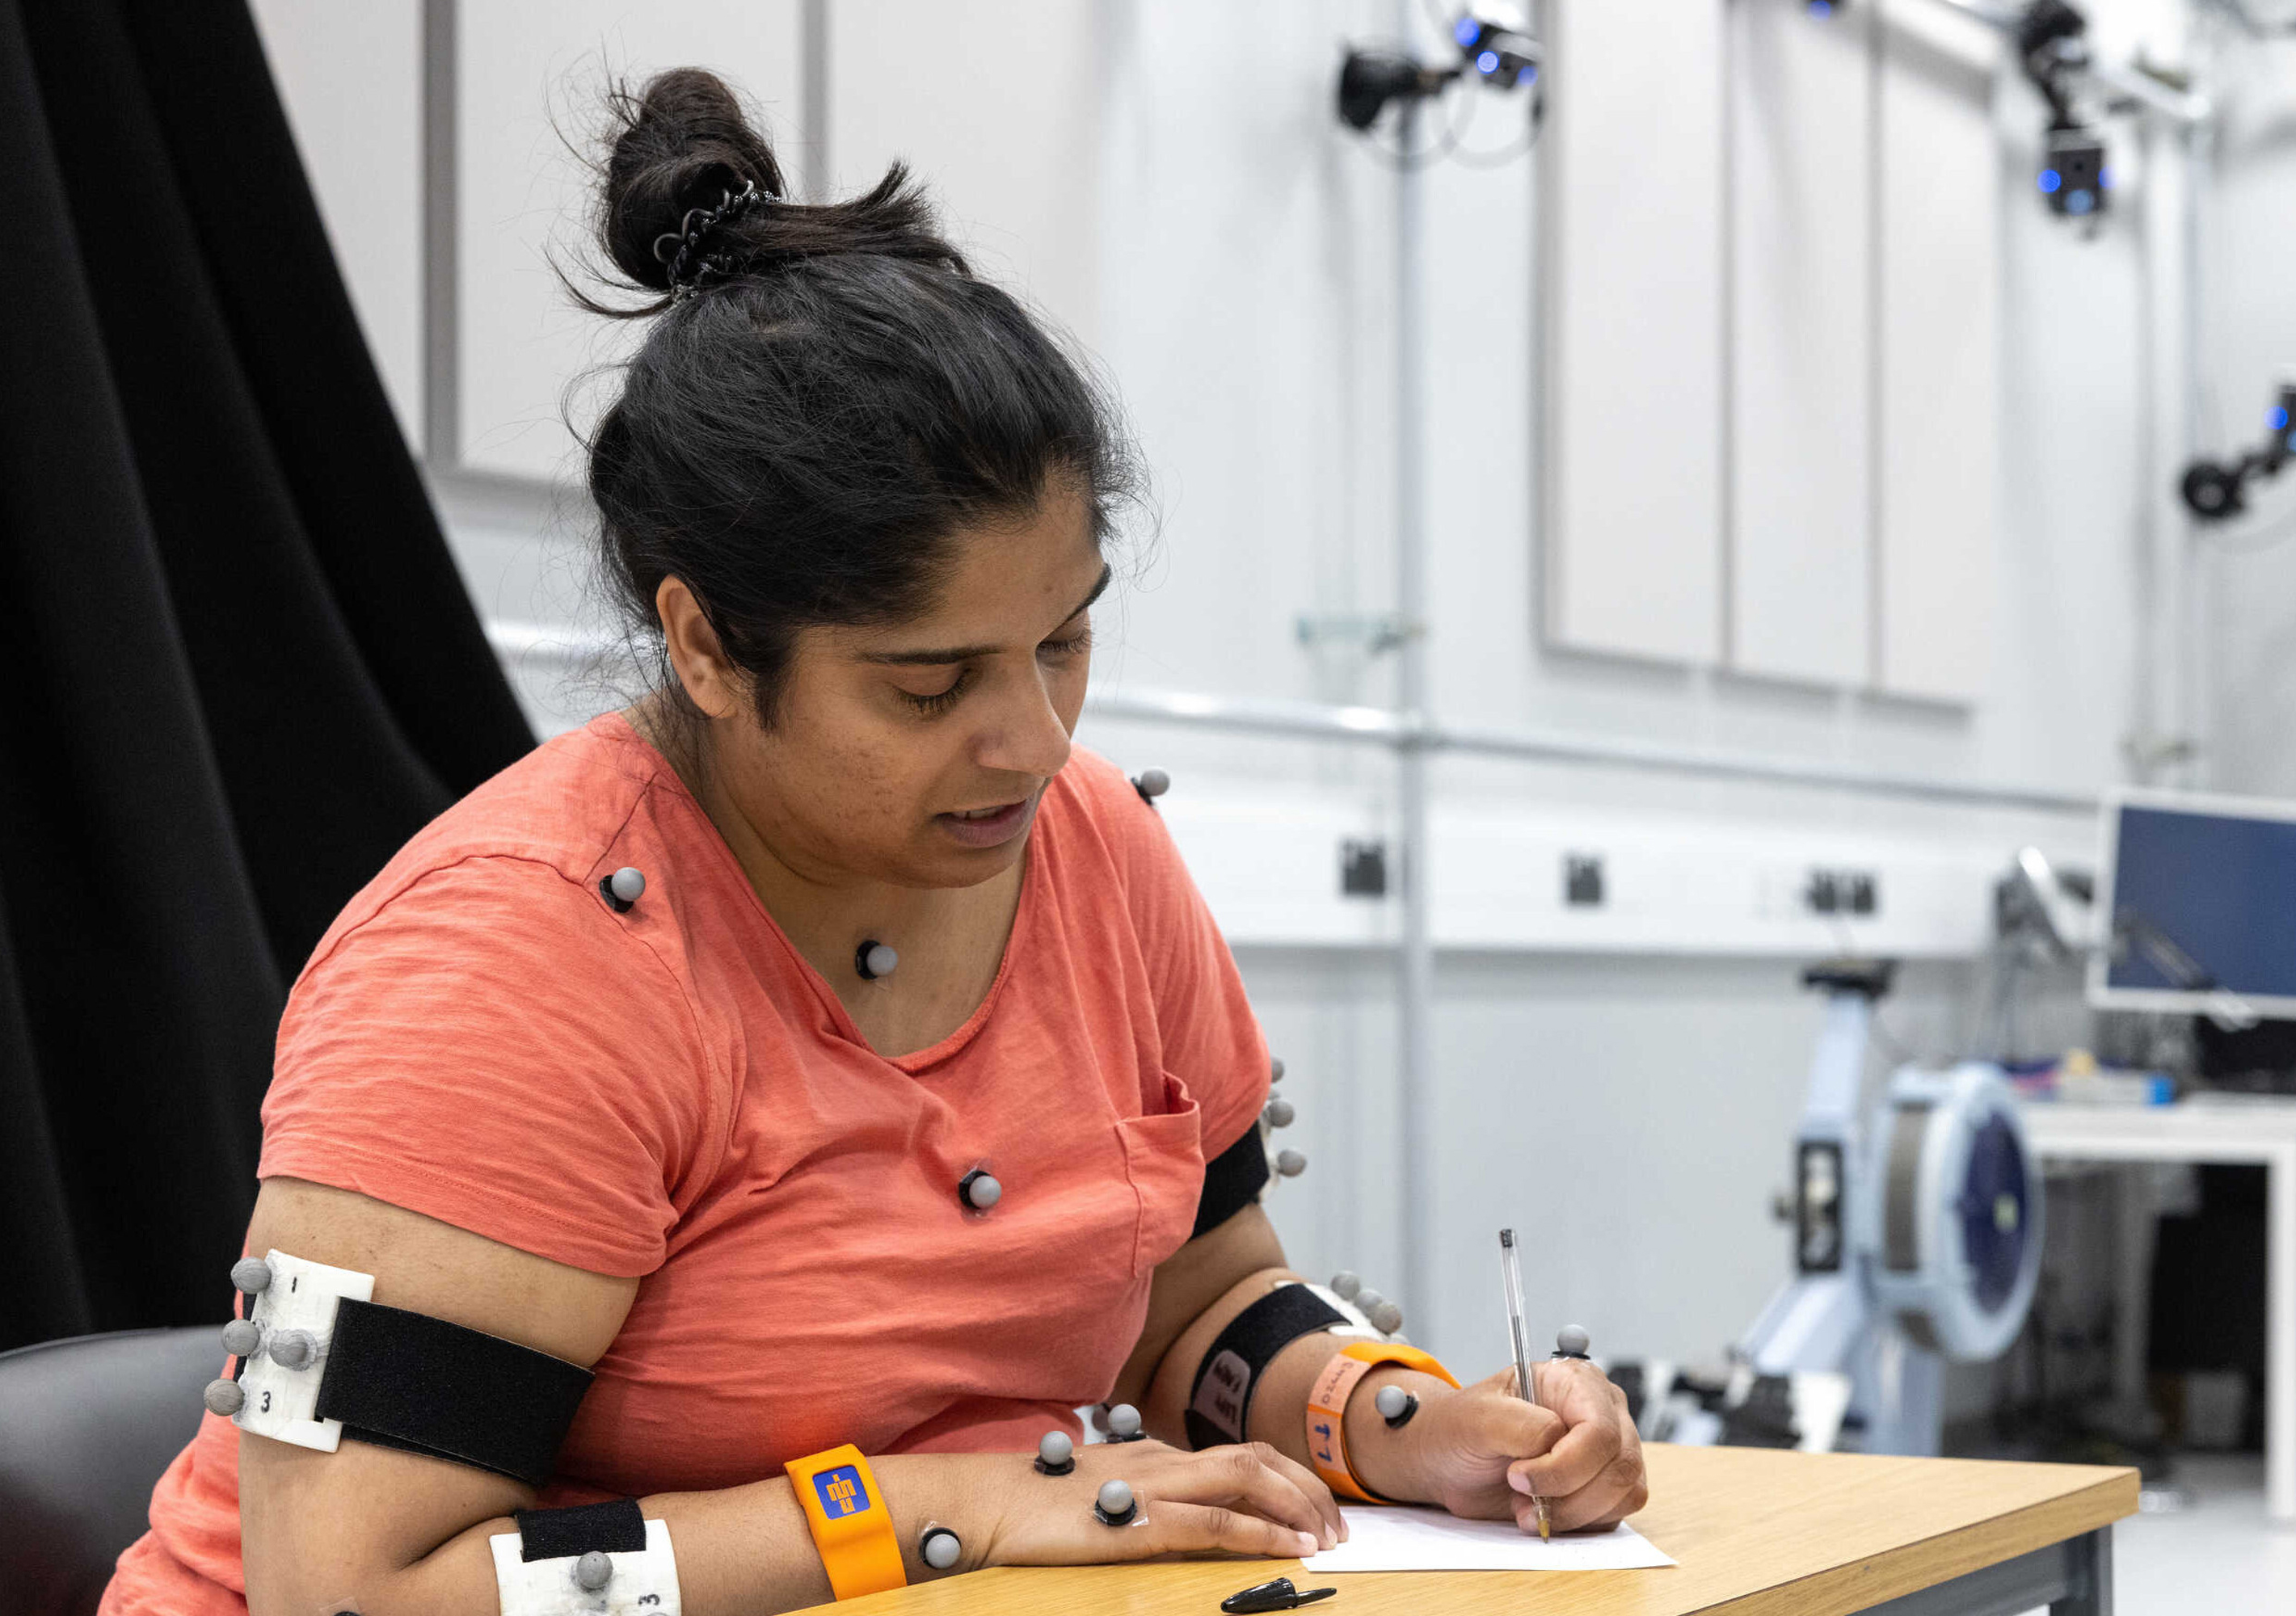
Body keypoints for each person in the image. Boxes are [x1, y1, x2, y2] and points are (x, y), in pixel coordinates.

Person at [101, 67, 1645, 1616]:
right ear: (706, 649)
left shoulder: (1096, 850)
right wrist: (933, 1512)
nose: (1034, 744)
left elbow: (1203, 1302)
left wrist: (1413, 1427)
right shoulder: (511, 965)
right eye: (930, 684)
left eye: (1063, 643)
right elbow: (356, 1597)